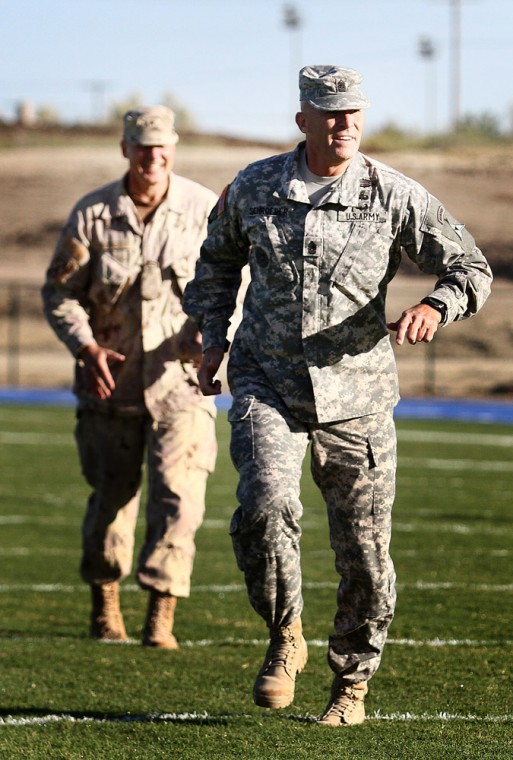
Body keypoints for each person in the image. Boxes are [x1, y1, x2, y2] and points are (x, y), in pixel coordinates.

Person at [183, 66, 492, 724]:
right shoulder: (255, 186)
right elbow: (214, 262)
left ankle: (350, 683)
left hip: (358, 396)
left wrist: (436, 306)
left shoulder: (391, 194)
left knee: (363, 553)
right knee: (264, 509)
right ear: (303, 120)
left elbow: (469, 266)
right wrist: (212, 337)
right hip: (267, 380)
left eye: (352, 112)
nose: (343, 123)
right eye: (329, 113)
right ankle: (283, 634)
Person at [42, 105, 218, 649]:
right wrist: (85, 345)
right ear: (125, 149)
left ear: (174, 149)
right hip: (109, 384)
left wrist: (209, 332)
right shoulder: (92, 214)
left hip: (180, 385)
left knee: (181, 498)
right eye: (143, 147)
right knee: (112, 497)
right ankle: (106, 603)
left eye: (162, 147)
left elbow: (236, 285)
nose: (153, 157)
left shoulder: (203, 209)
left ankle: (161, 613)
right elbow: (59, 292)